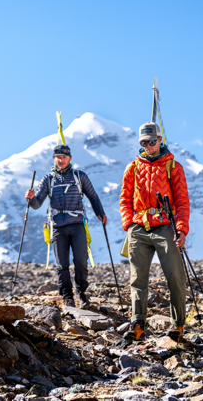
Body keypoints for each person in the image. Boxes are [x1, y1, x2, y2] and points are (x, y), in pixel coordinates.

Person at [120, 122, 190, 340]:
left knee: (174, 275)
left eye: (151, 142)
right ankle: (137, 324)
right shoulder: (132, 167)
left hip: (165, 226)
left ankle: (177, 324)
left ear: (160, 140)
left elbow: (182, 201)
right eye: (143, 143)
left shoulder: (173, 167)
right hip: (139, 228)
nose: (148, 146)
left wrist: (181, 229)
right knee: (137, 279)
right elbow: (124, 199)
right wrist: (129, 224)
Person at [25, 144, 107, 307]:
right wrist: (31, 198)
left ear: (69, 158)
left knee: (81, 261)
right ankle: (67, 297)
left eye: (63, 157)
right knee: (62, 264)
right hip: (57, 227)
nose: (60, 160)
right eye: (57, 157)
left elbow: (93, 196)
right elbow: (37, 204)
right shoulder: (48, 179)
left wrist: (100, 213)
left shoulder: (79, 176)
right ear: (54, 159)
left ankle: (82, 293)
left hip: (77, 225)